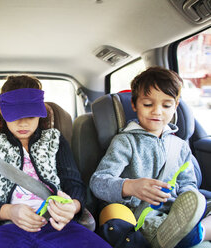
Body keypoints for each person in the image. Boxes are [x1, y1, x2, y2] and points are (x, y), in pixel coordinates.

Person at [0, 75, 110, 247]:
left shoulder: (54, 140)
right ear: (2, 112)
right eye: (15, 116)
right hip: (10, 226)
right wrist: (10, 211)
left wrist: (73, 207)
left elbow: (73, 183)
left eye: (30, 116)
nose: (23, 123)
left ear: (40, 112)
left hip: (57, 224)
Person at [90, 66, 211, 248]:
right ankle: (187, 236)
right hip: (138, 214)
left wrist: (188, 202)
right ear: (134, 105)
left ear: (176, 106)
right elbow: (98, 181)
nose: (157, 111)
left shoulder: (179, 146)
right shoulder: (125, 141)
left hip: (174, 213)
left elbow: (188, 184)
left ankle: (194, 232)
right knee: (119, 224)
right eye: (148, 104)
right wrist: (130, 187)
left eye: (166, 105)